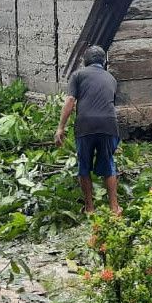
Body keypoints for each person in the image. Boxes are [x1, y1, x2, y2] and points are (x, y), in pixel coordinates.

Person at [55, 46, 122, 215]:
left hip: (86, 125)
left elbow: (70, 101)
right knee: (108, 166)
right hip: (109, 125)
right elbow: (111, 105)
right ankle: (114, 208)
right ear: (103, 62)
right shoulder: (111, 78)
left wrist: (61, 127)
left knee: (84, 167)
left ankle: (90, 208)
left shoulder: (77, 75)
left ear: (85, 61)